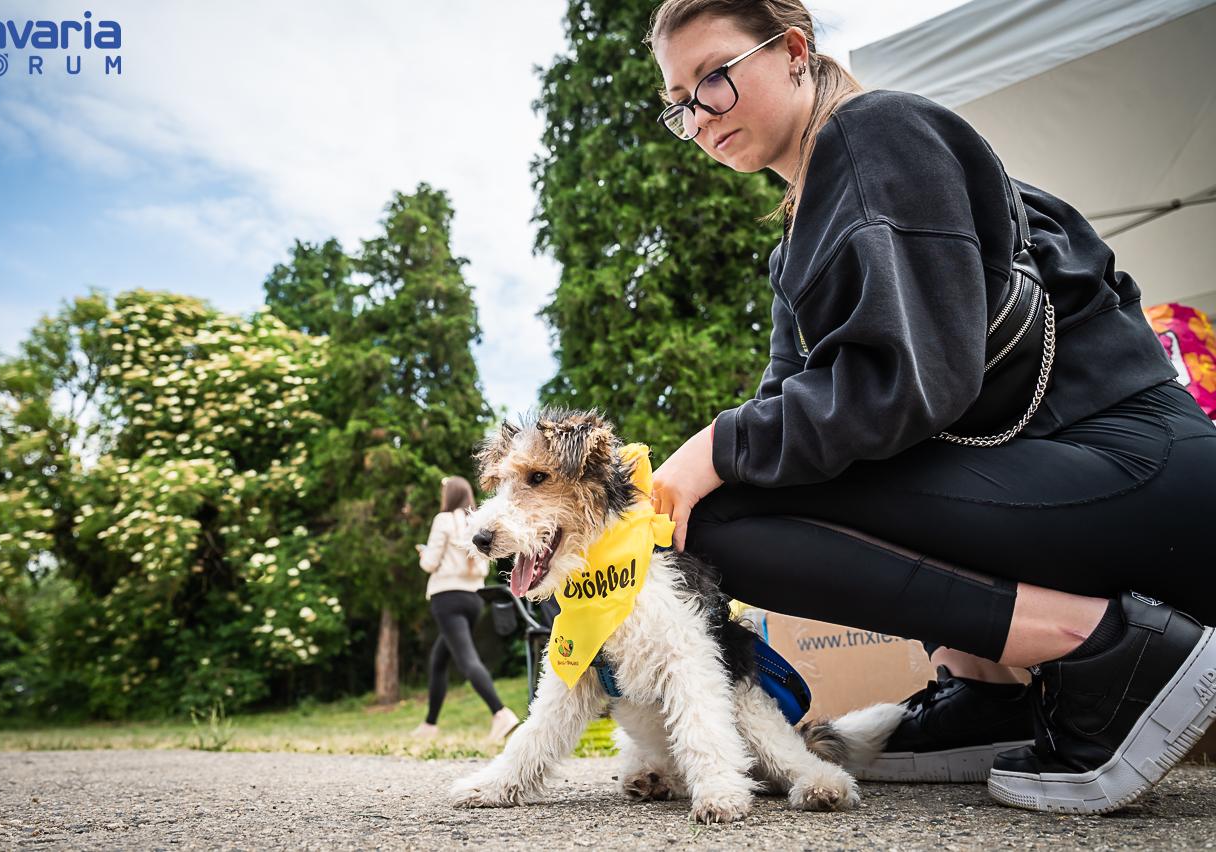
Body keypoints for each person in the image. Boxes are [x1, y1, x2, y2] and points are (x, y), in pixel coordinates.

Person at [643, 0, 1216, 813]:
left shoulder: (877, 132)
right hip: (1069, 477)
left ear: (793, 50)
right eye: (679, 101)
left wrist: (710, 449)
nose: (699, 114)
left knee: (721, 513)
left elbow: (912, 381)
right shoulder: (797, 244)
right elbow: (793, 421)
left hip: (1134, 464)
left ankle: (1110, 653)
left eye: (714, 77)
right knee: (737, 490)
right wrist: (717, 456)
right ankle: (990, 692)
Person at [411, 476, 520, 742]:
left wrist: (424, 554)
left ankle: (500, 713)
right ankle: (429, 725)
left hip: (447, 598)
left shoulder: (443, 520)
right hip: (474, 599)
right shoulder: (476, 522)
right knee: (439, 660)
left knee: (467, 660)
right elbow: (482, 566)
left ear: (450, 495)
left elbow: (430, 563)